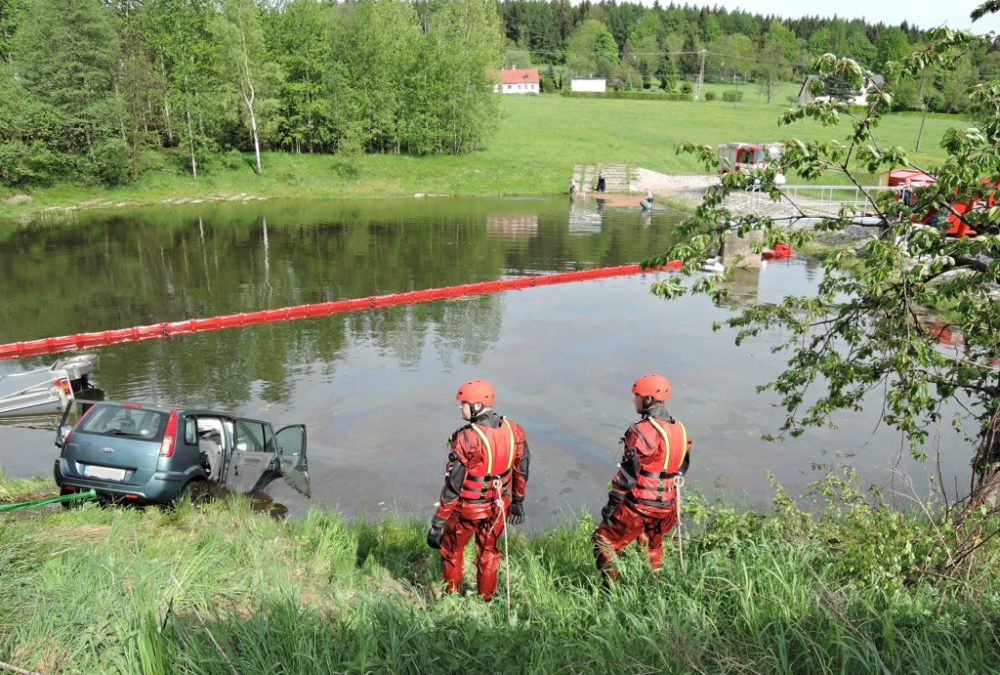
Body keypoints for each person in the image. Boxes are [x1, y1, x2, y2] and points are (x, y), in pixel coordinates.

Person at [426, 379, 530, 601]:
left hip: (468, 510)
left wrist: (437, 523)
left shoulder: (467, 438)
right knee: (488, 552)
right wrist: (518, 502)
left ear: (476, 406)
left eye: (463, 403)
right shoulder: (514, 430)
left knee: (452, 551)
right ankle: (486, 600)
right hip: (499, 508)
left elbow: (453, 487)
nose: (460, 407)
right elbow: (522, 468)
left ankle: (452, 599)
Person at [592, 373, 692, 583]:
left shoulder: (642, 431)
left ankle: (610, 592)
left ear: (648, 399)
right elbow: (682, 467)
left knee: (604, 541)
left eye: (637, 396)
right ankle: (653, 586)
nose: (633, 400)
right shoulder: (681, 430)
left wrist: (612, 506)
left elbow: (628, 475)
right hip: (668, 507)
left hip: (640, 506)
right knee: (651, 547)